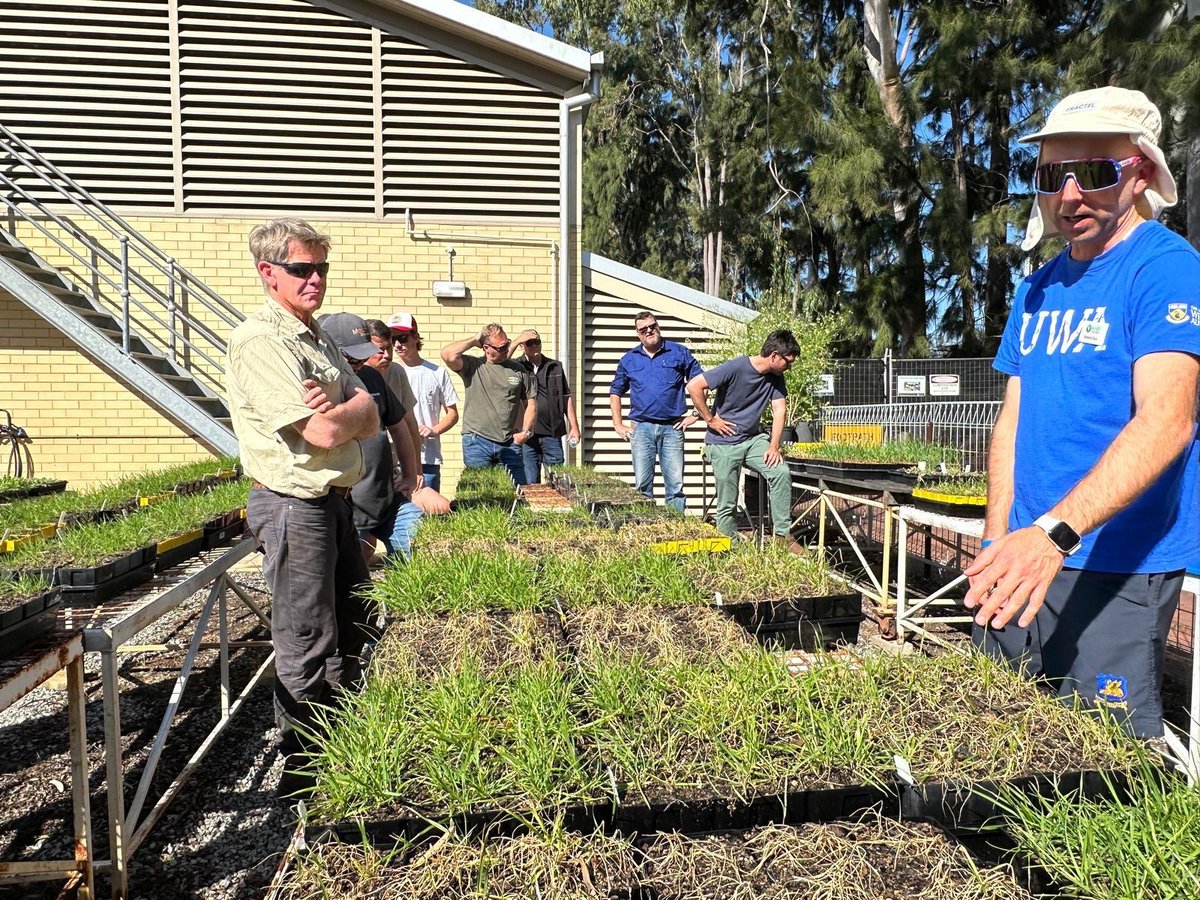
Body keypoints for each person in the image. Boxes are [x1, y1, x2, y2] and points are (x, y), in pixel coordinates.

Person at [964, 87, 1200, 738]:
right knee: (997, 734)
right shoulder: (1036, 288)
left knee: (1098, 769)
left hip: (1113, 566)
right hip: (1022, 558)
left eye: (1093, 172)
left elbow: (1168, 420)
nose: (1068, 196)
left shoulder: (1167, 272)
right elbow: (1011, 424)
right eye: (1049, 175)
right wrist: (994, 542)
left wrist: (1053, 536)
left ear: (1141, 173)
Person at [225, 218, 379, 796]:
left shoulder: (315, 336)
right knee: (308, 639)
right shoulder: (262, 341)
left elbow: (365, 405)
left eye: (321, 269)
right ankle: (307, 778)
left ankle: (347, 749)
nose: (315, 279)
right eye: (301, 269)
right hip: (296, 504)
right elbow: (320, 431)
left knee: (354, 625)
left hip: (331, 503)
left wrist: (350, 408)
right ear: (268, 273)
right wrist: (347, 410)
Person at [318, 312, 423, 564]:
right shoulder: (319, 385)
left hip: (386, 499)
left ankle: (406, 600)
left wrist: (410, 474)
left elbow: (399, 427)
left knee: (418, 543)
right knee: (356, 572)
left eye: (363, 353)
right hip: (348, 506)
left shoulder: (371, 376)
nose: (359, 360)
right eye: (352, 354)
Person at [686, 330, 804, 553]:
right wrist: (711, 420)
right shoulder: (736, 367)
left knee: (780, 472)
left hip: (752, 440)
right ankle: (731, 548)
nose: (789, 367)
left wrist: (773, 446)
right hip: (723, 442)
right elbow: (694, 386)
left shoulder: (776, 378)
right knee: (727, 503)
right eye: (788, 363)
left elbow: (780, 410)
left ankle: (782, 537)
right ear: (775, 356)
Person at [609, 312, 702, 512]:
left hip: (672, 428)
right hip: (641, 429)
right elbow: (615, 391)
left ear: (657, 326)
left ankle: (676, 529)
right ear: (638, 334)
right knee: (642, 485)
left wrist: (696, 414)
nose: (649, 331)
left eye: (653, 326)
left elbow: (700, 382)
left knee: (675, 486)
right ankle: (646, 529)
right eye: (644, 329)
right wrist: (617, 424)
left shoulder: (678, 353)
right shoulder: (629, 360)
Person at [441, 323, 536, 485]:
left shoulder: (518, 370)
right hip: (477, 442)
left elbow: (531, 404)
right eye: (501, 347)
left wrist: (525, 433)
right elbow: (448, 355)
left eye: (507, 344)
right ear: (486, 348)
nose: (507, 349)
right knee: (479, 494)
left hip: (509, 443)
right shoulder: (473, 366)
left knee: (518, 493)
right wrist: (474, 339)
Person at [388, 311, 460, 493]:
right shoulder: (387, 372)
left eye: (403, 338)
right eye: (392, 339)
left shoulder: (436, 373)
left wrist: (433, 430)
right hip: (393, 457)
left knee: (429, 514)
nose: (397, 345)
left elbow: (452, 413)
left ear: (415, 337)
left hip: (427, 458)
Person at [514, 328, 580, 484]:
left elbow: (566, 397)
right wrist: (517, 339)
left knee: (558, 482)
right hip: (527, 434)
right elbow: (501, 364)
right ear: (522, 347)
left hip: (552, 432)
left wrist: (574, 427)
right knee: (530, 483)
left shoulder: (555, 366)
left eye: (537, 342)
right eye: (530, 343)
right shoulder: (516, 367)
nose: (535, 346)